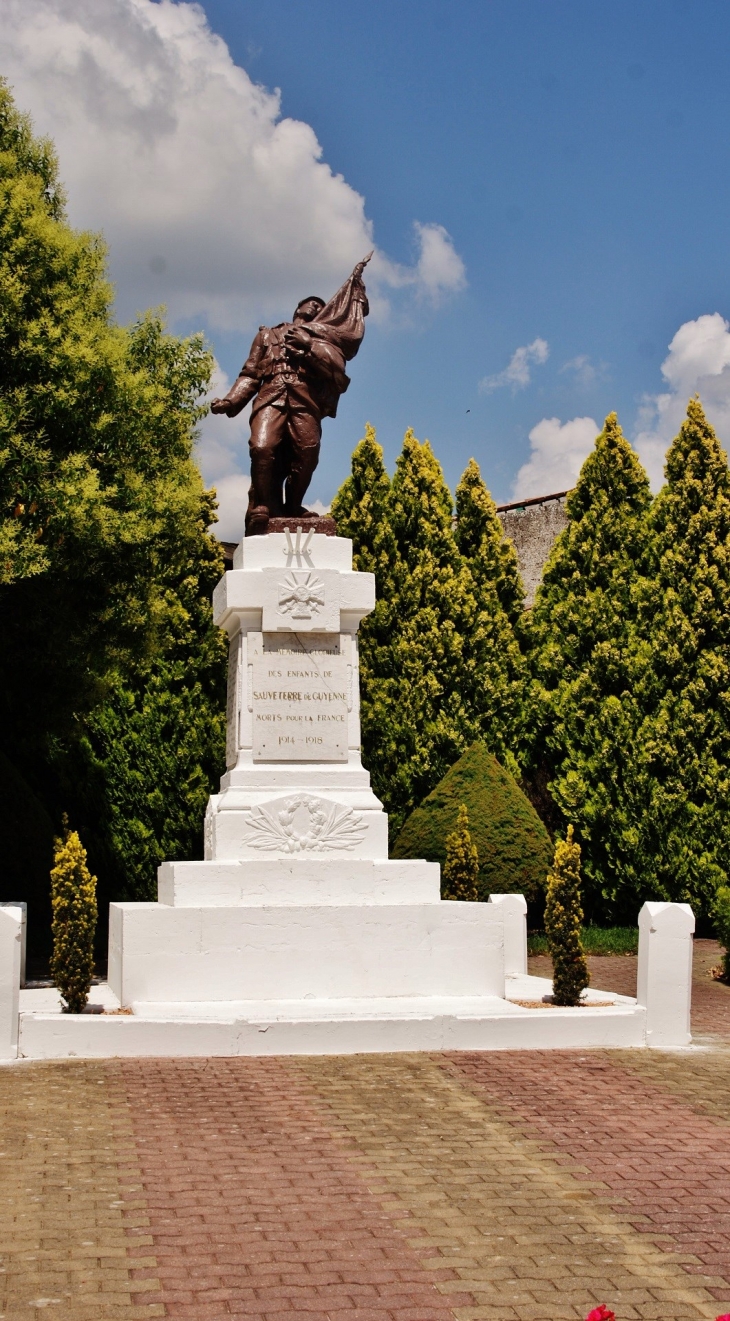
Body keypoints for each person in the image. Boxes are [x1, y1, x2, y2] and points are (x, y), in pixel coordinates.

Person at [211, 256, 371, 535]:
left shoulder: (323, 340)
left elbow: (337, 371)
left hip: (304, 401)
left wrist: (310, 346)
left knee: (307, 456)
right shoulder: (268, 335)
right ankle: (262, 507)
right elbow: (250, 374)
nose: (315, 306)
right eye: (311, 302)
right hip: (271, 396)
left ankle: (293, 506)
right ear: (298, 307)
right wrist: (231, 400)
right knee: (261, 448)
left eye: (321, 307)